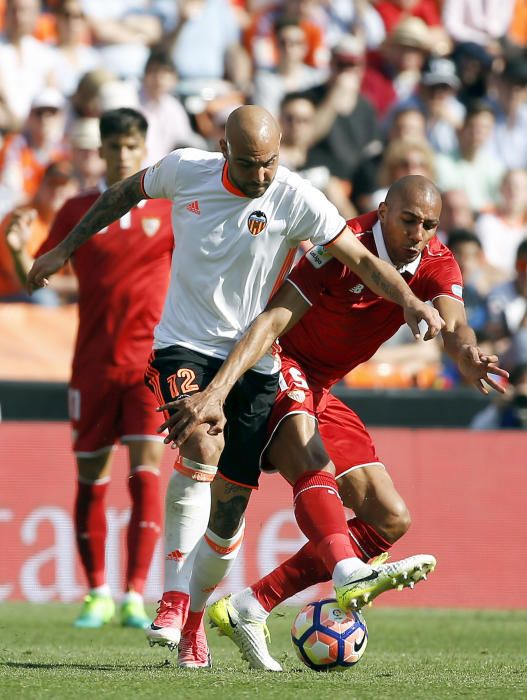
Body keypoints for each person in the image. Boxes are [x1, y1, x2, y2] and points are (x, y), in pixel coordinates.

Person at [26, 106, 443, 669]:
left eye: (271, 163)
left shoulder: (297, 198)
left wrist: (412, 301)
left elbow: (366, 263)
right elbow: (122, 193)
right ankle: (173, 598)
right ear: (224, 153)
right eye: (251, 165)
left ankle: (197, 620)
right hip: (182, 345)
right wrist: (63, 247)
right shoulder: (185, 170)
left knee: (230, 510)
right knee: (201, 443)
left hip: (253, 357)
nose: (264, 176)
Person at [163, 175, 508, 671]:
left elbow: (453, 322)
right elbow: (277, 319)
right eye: (408, 220)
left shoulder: (435, 260)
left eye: (429, 225)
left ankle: (252, 605)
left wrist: (468, 353)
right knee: (299, 463)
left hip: (323, 388)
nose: (418, 233)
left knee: (389, 518)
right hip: (279, 365)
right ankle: (344, 571)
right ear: (384, 209)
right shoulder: (339, 243)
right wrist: (219, 389)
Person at [10, 108, 174, 631]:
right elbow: (42, 278)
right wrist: (17, 254)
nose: (123, 154)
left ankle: (133, 595)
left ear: (143, 149)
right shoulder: (79, 211)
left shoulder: (170, 211)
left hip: (150, 364)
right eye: (115, 147)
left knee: (146, 473)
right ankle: (98, 591)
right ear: (100, 151)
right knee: (92, 477)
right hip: (93, 364)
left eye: (132, 146)